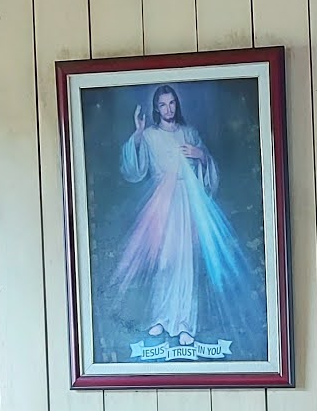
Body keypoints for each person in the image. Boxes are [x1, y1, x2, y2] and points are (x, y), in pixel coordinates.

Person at [108, 84, 254, 350]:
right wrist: (138, 135)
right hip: (162, 203)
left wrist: (201, 155)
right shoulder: (150, 135)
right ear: (156, 108)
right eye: (162, 105)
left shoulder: (189, 133)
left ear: (177, 104)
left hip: (187, 202)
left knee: (186, 262)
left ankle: (184, 323)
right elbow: (134, 169)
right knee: (165, 261)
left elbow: (208, 168)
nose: (168, 109)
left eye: (172, 103)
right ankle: (162, 317)